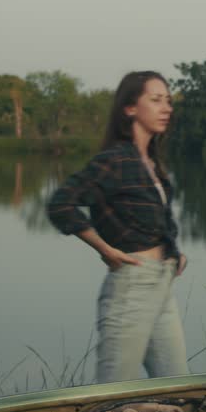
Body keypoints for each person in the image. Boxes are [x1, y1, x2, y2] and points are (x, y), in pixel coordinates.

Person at [47, 70, 189, 383]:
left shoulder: (150, 162)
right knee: (113, 396)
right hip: (132, 286)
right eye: (155, 100)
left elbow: (156, 219)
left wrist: (175, 252)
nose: (166, 108)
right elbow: (61, 203)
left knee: (179, 390)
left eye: (168, 100)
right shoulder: (115, 160)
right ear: (129, 109)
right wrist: (103, 248)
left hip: (162, 283)